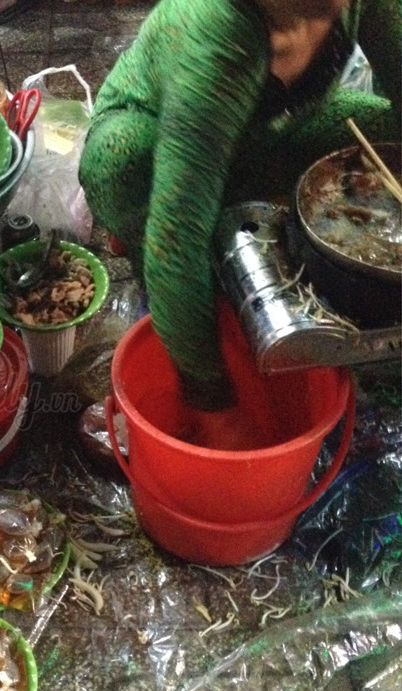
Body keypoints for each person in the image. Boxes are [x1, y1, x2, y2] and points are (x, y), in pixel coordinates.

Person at [79, 0, 400, 447]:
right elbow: (176, 236)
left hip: (271, 134)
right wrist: (214, 405)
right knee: (129, 166)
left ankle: (237, 200)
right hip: (154, 143)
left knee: (382, 128)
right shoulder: (216, 29)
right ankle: (133, 231)